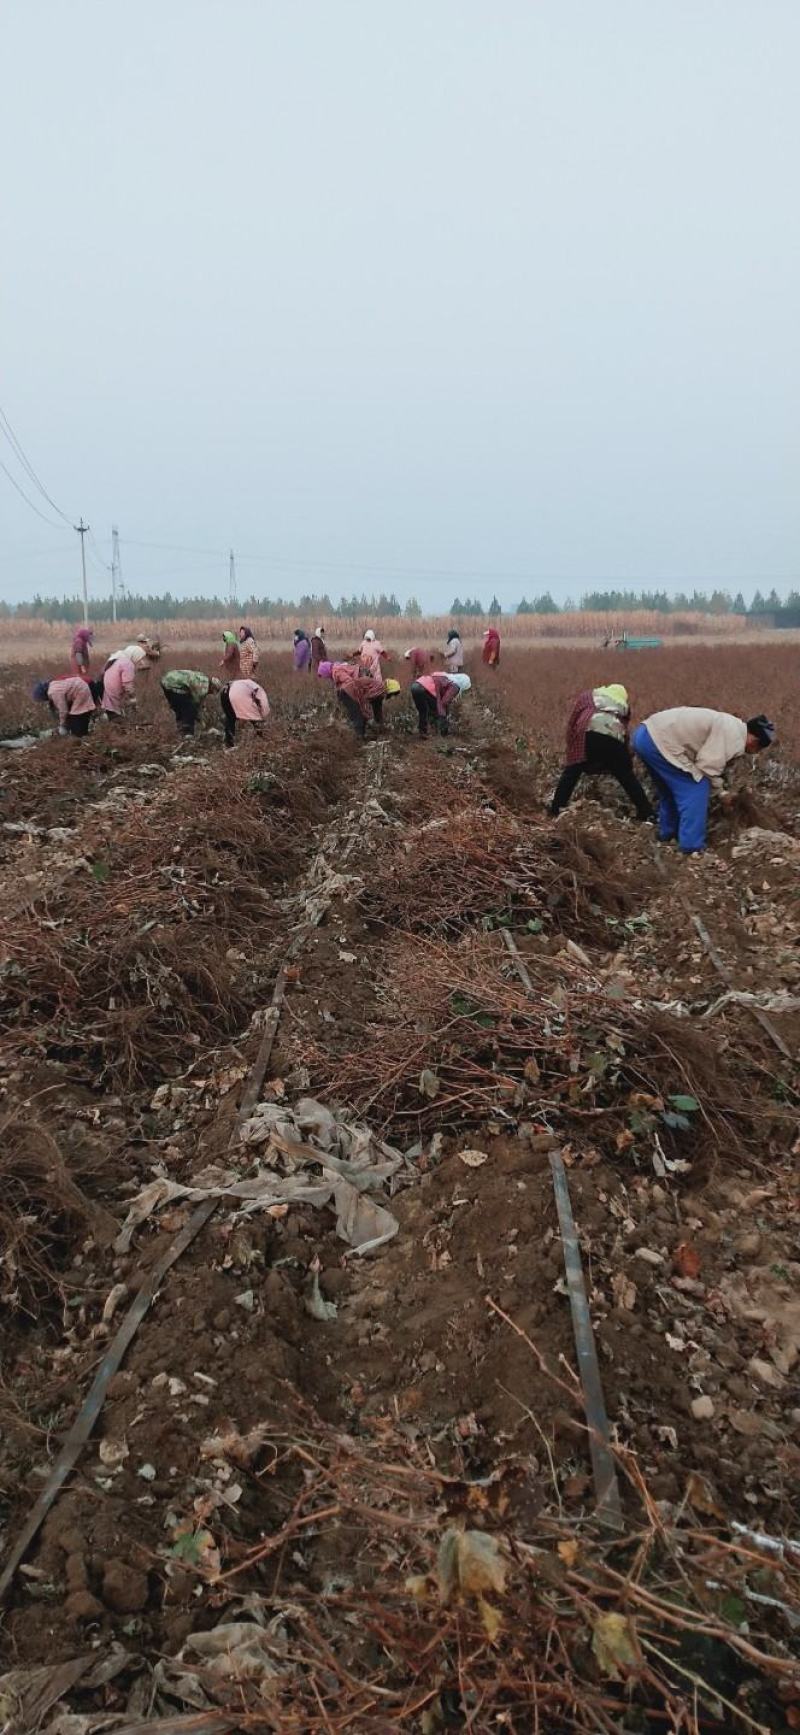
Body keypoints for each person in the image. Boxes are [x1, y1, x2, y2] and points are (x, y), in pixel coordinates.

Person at [633, 708, 775, 854]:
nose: (756, 752)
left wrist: (720, 792)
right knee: (696, 788)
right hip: (659, 741)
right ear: (754, 741)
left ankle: (667, 833)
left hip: (645, 735)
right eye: (758, 749)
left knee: (670, 790)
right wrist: (721, 793)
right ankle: (692, 846)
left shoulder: (731, 725)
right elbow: (707, 768)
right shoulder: (734, 738)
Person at [550, 684, 653, 821]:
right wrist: (624, 760)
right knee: (627, 777)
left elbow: (573, 721)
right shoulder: (623, 707)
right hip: (614, 739)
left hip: (587, 732)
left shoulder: (588, 696)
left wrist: (571, 747)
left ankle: (556, 809)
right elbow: (624, 731)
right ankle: (646, 812)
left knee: (572, 772)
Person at [320, 660, 398, 737]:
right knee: (358, 716)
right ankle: (358, 738)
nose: (391, 697)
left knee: (359, 715)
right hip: (349, 692)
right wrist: (367, 713)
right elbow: (355, 687)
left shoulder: (378, 689)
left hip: (348, 691)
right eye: (392, 695)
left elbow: (374, 706)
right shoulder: (378, 689)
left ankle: (359, 735)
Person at [161, 669, 221, 737]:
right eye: (213, 691)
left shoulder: (202, 677)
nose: (211, 693)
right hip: (174, 684)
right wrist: (205, 725)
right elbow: (196, 706)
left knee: (179, 708)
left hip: (165, 680)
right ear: (213, 687)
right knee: (189, 709)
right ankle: (188, 733)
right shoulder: (204, 687)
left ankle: (181, 730)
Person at [33, 676, 100, 737]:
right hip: (80, 686)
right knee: (78, 715)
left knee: (77, 715)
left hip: (80, 690)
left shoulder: (53, 692)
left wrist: (62, 724)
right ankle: (82, 732)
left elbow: (63, 710)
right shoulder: (52, 685)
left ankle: (81, 734)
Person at [410, 670, 471, 736]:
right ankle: (440, 731)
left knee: (423, 711)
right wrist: (445, 714)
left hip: (415, 686)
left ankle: (423, 732)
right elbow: (444, 701)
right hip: (425, 689)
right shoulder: (455, 686)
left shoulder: (446, 677)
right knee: (436, 709)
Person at [220, 677, 271, 747]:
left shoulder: (250, 686)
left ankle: (228, 742)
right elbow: (254, 716)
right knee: (234, 718)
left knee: (230, 718)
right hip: (234, 693)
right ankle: (262, 737)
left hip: (225, 691)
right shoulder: (257, 693)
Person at [101, 653, 137, 722]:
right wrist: (133, 698)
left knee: (112, 713)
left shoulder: (118, 661)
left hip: (108, 695)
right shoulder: (128, 664)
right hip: (114, 696)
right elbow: (128, 685)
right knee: (119, 720)